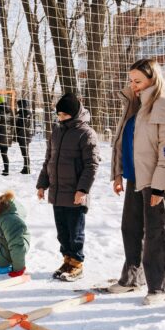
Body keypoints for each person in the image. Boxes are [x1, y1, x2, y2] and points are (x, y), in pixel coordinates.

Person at [108, 59, 165, 305]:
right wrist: (118, 173)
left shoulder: (163, 102)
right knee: (130, 228)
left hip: (154, 178)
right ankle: (133, 278)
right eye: (131, 81)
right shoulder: (134, 101)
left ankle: (160, 286)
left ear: (153, 78)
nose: (133, 85)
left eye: (138, 81)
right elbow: (123, 140)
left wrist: (160, 186)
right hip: (134, 175)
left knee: (157, 232)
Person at [36, 93, 100, 282]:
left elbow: (91, 165)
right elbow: (49, 160)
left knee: (75, 232)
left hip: (75, 193)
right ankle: (67, 260)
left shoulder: (86, 133)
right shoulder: (56, 132)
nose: (60, 118)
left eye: (64, 115)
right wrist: (42, 184)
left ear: (74, 113)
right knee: (62, 232)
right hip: (57, 192)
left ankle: (77, 263)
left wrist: (82, 190)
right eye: (59, 115)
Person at [14, 99, 34, 174]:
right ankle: (25, 167)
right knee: (25, 152)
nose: (18, 106)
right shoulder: (25, 112)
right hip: (26, 134)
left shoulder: (24, 113)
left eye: (19, 105)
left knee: (25, 152)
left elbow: (22, 124)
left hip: (23, 134)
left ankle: (27, 168)